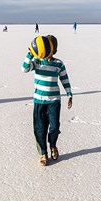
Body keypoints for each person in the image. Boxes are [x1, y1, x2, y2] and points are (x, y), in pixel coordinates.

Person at [22, 35, 73, 166]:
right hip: (39, 101)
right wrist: (29, 54)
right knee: (39, 128)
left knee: (55, 127)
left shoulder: (58, 63)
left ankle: (53, 145)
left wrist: (69, 93)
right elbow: (24, 69)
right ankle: (43, 153)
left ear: (53, 49)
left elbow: (64, 79)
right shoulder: (38, 62)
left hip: (54, 101)